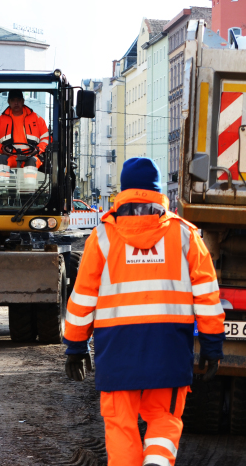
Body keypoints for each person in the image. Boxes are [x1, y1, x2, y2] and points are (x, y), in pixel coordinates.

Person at [63, 158, 225, 466]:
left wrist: (76, 346)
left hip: (116, 350)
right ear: (158, 191)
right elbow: (207, 296)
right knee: (163, 418)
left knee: (121, 427)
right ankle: (157, 462)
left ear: (124, 190)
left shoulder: (102, 238)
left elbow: (82, 298)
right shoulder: (186, 236)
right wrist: (212, 345)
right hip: (168, 349)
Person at [0, 89, 50, 170]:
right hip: (9, 156)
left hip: (31, 155)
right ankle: (3, 182)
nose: (16, 103)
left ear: (23, 101)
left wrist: (37, 149)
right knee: (1, 161)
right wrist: (2, 148)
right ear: (8, 102)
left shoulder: (37, 119)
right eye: (13, 100)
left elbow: (46, 139)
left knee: (32, 163)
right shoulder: (0, 120)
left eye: (18, 100)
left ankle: (29, 183)